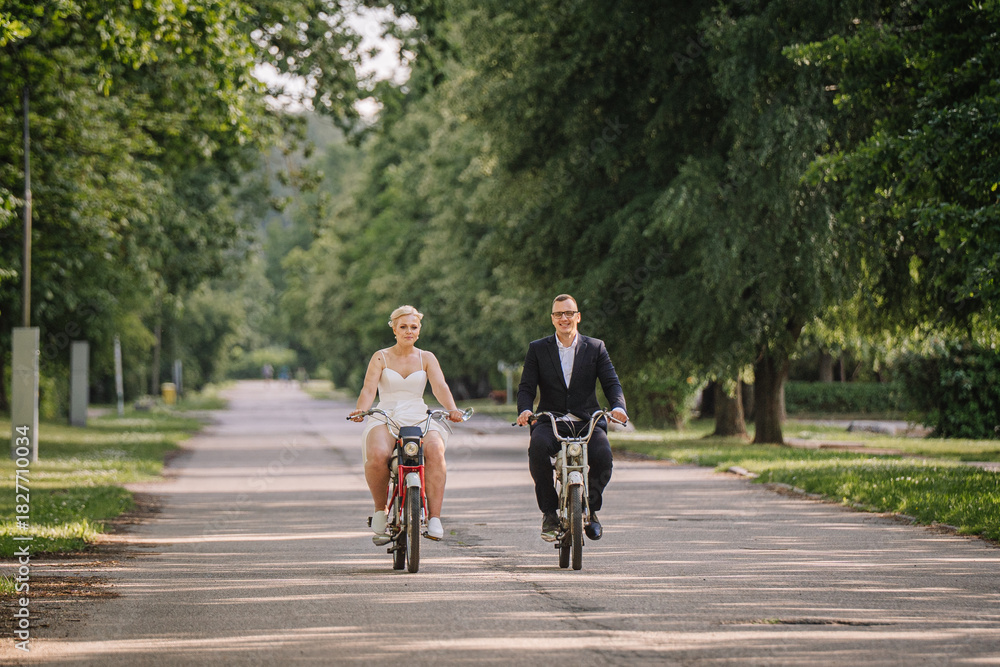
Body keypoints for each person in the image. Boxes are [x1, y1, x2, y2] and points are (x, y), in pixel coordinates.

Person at [516, 294, 628, 542]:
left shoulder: (596, 347)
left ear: (578, 316)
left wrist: (618, 407)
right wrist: (525, 410)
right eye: (558, 314)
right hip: (551, 419)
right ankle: (549, 513)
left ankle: (590, 509)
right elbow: (526, 387)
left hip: (587, 420)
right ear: (552, 319)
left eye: (569, 313)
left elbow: (611, 383)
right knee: (537, 450)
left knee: (603, 457)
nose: (564, 318)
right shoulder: (537, 349)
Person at [349, 305, 465, 541]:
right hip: (386, 413)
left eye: (413, 327)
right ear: (394, 329)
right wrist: (361, 409)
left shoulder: (427, 357)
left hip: (418, 412)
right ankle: (380, 509)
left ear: (419, 330)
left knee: (435, 450)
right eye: (403, 327)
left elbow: (440, 387)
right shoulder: (380, 356)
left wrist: (452, 409)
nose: (408, 331)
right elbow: (369, 388)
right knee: (378, 454)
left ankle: (434, 518)